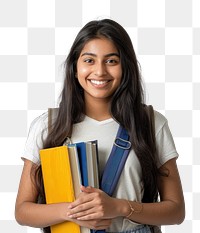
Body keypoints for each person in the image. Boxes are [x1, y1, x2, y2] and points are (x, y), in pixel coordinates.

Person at [15, 19, 185, 233]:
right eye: (89, 60)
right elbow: (22, 211)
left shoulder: (150, 123)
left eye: (112, 61)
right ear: (75, 68)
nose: (100, 71)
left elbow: (176, 211)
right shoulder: (48, 126)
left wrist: (120, 207)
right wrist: (74, 212)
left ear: (126, 67)